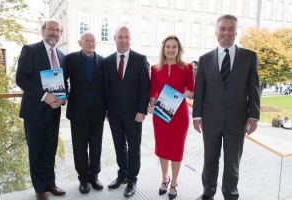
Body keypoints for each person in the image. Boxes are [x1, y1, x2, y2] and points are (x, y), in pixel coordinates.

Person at [192, 14, 260, 200]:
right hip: (210, 118)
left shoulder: (249, 57)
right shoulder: (205, 59)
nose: (226, 33)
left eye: (231, 29)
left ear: (236, 32)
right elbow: (200, 90)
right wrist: (196, 116)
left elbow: (253, 89)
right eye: (222, 29)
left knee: (232, 162)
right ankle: (208, 192)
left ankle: (230, 194)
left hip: (237, 119)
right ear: (216, 32)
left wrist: (254, 116)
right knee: (210, 160)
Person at [16, 19, 67, 200]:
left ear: (60, 34)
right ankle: (39, 189)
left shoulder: (61, 55)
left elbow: (63, 84)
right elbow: (21, 79)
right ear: (43, 31)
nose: (54, 33)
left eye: (57, 30)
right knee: (36, 151)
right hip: (34, 112)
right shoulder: (30, 50)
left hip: (54, 111)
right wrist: (45, 96)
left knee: (50, 150)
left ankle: (50, 183)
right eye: (51, 29)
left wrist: (61, 100)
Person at [103, 26, 150, 197]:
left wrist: (141, 110)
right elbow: (106, 88)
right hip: (114, 113)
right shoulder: (107, 61)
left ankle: (132, 179)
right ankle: (122, 174)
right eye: (120, 37)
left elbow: (145, 87)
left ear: (131, 39)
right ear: (114, 38)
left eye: (127, 37)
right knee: (119, 146)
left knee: (134, 148)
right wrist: (107, 110)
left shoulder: (140, 59)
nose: (124, 40)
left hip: (134, 113)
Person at [147, 35, 194, 200]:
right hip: (161, 114)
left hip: (180, 115)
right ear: (163, 48)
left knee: (176, 149)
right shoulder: (155, 68)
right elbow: (153, 90)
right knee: (163, 148)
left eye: (174, 47)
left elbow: (192, 90)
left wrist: (190, 93)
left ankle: (174, 183)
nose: (171, 50)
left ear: (179, 49)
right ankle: (164, 179)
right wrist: (152, 104)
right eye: (168, 46)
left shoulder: (187, 67)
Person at [65, 31, 105, 194]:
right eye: (86, 40)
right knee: (79, 147)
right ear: (79, 43)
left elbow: (106, 87)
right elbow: (61, 80)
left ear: (96, 43)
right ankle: (82, 179)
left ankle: (94, 177)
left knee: (96, 146)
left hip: (97, 111)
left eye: (93, 41)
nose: (90, 43)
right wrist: (62, 97)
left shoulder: (103, 61)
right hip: (78, 111)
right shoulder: (70, 59)